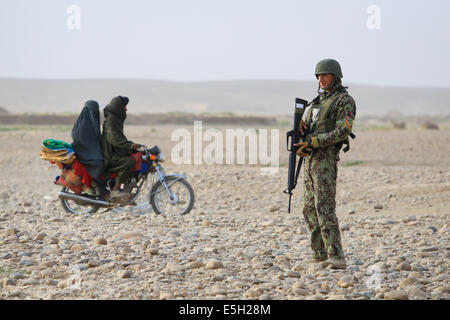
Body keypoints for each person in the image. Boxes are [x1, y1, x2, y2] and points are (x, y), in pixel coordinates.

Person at [294, 59, 356, 270]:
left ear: (335, 77)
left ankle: (336, 256)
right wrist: (302, 132)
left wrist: (315, 141)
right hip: (310, 160)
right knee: (309, 210)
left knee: (324, 208)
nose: (321, 79)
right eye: (318, 76)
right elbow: (310, 129)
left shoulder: (343, 101)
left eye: (325, 75)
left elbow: (342, 130)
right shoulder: (315, 103)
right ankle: (320, 255)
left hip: (325, 161)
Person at [101, 96, 141, 198]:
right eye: (124, 107)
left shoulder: (115, 121)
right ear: (118, 108)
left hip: (115, 152)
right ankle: (115, 190)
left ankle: (128, 186)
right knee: (129, 161)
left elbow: (119, 138)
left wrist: (132, 145)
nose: (126, 109)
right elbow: (114, 140)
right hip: (110, 155)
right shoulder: (110, 123)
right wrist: (130, 145)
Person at [71, 100, 105, 191]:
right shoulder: (84, 125)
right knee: (100, 164)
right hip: (84, 154)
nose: (94, 112)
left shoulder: (83, 122)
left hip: (86, 152)